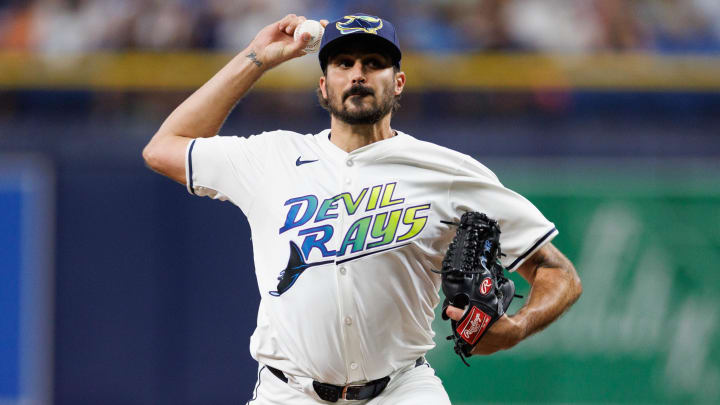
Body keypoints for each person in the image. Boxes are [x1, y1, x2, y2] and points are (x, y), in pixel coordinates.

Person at [142, 13, 582, 405]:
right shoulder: (271, 157)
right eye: (343, 63)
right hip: (287, 392)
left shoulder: (447, 171)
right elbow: (163, 148)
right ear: (323, 85)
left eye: (373, 63)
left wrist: (519, 327)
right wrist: (257, 57)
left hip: (402, 389)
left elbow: (558, 273)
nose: (358, 74)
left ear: (399, 82)